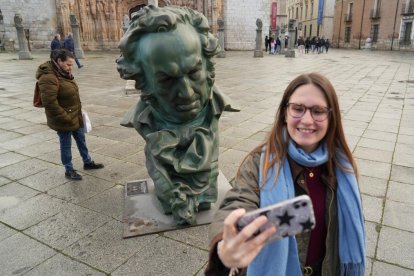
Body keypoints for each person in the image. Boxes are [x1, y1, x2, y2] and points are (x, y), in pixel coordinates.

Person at [205, 73, 366, 276]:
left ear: (331, 116)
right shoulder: (259, 163)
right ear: (284, 112)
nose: (307, 120)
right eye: (298, 109)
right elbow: (238, 202)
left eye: (318, 111)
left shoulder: (342, 167)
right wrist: (224, 248)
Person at [116, 5, 237, 225]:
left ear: (207, 63)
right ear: (143, 81)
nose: (187, 93)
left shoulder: (214, 107)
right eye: (167, 80)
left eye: (193, 72)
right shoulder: (143, 120)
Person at [36, 49, 104, 180]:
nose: (70, 67)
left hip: (75, 114)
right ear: (59, 61)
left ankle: (88, 162)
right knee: (66, 144)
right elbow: (50, 103)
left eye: (72, 64)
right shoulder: (48, 77)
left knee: (81, 140)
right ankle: (68, 169)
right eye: (68, 64)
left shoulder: (63, 72)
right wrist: (65, 117)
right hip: (63, 118)